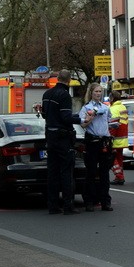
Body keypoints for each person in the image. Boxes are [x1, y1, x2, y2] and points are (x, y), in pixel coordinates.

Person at [41, 69, 81, 214]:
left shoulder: (47, 94)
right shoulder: (64, 95)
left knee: (52, 172)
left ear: (57, 78)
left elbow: (45, 115)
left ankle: (52, 205)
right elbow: (66, 117)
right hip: (63, 137)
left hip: (50, 137)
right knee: (66, 172)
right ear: (69, 80)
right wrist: (81, 119)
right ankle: (68, 205)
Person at [79, 83, 114, 212]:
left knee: (105, 173)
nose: (98, 94)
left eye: (100, 92)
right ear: (91, 93)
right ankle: (89, 201)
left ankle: (105, 201)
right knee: (91, 172)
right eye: (96, 92)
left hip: (104, 141)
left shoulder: (105, 108)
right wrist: (90, 117)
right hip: (92, 142)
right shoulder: (86, 108)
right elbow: (82, 124)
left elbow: (109, 119)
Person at [108, 90, 129, 185]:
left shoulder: (113, 109)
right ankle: (121, 176)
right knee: (119, 159)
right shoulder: (122, 106)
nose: (109, 99)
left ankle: (119, 176)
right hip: (122, 139)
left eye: (109, 98)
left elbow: (113, 125)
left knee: (111, 158)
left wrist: (110, 138)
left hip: (115, 139)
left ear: (112, 98)